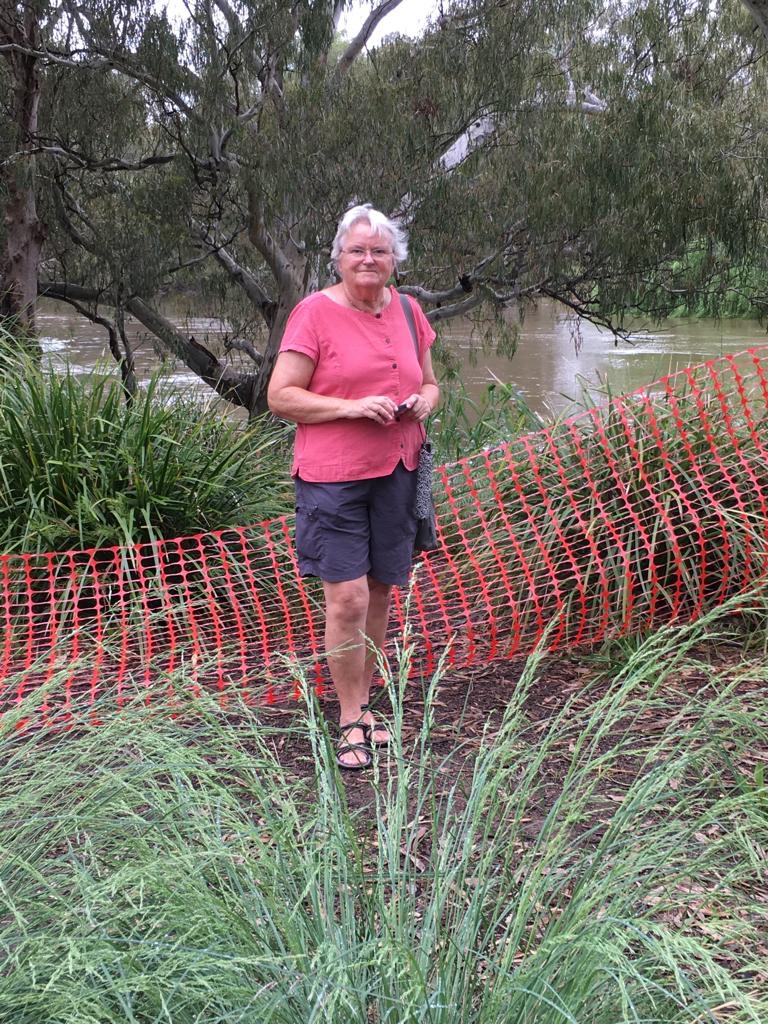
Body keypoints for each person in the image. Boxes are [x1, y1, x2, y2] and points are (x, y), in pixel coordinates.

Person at [267, 204, 439, 770]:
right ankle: (348, 721)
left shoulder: (409, 311)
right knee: (348, 598)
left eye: (379, 251)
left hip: (399, 471)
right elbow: (280, 397)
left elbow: (431, 384)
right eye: (357, 250)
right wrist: (351, 407)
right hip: (333, 480)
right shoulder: (313, 313)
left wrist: (423, 402)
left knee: (381, 592)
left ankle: (364, 707)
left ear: (394, 260)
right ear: (338, 257)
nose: (369, 259)